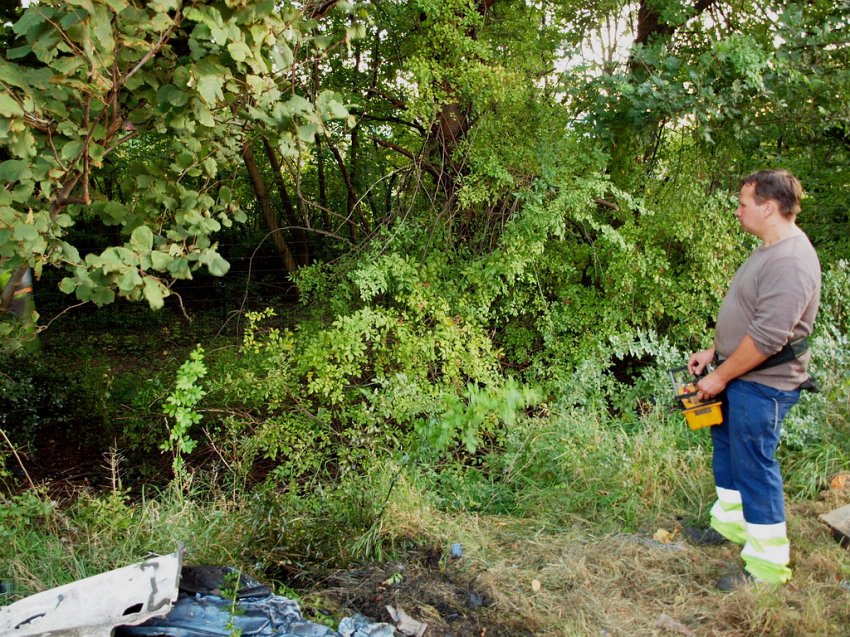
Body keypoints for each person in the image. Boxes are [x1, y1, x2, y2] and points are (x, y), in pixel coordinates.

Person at [686, 169, 821, 591]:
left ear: (768, 207)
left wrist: (720, 377)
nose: (738, 210)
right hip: (738, 374)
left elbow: (766, 338)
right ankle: (730, 527)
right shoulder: (768, 250)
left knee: (755, 465)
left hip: (764, 383)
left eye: (743, 203)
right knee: (728, 451)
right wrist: (714, 353)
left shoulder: (793, 260)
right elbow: (749, 315)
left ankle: (766, 569)